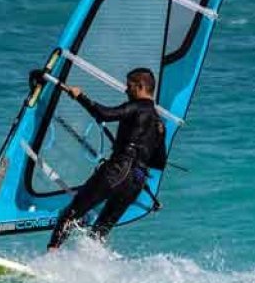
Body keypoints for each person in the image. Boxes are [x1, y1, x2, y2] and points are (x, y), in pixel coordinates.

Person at [47, 67, 167, 252]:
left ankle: (50, 258)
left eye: (129, 86)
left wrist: (80, 97)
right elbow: (159, 162)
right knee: (100, 231)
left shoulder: (137, 107)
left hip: (118, 170)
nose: (126, 90)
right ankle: (91, 268)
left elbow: (105, 114)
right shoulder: (160, 124)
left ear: (141, 86)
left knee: (71, 214)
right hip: (137, 181)